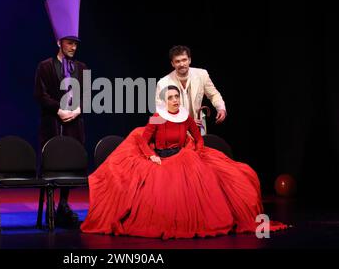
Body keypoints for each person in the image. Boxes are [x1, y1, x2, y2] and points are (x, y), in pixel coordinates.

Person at [80, 85, 286, 239]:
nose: (175, 100)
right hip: (161, 156)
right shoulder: (158, 117)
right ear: (164, 101)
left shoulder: (185, 116)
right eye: (170, 98)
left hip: (182, 155)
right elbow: (144, 140)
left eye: (177, 96)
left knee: (233, 174)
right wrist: (151, 155)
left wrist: (197, 151)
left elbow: (198, 138)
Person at [34, 0, 88, 227]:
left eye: (75, 43)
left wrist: (77, 110)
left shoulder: (82, 67)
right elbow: (40, 94)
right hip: (52, 123)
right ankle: (50, 205)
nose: (73, 47)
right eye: (69, 43)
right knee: (52, 163)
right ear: (59, 43)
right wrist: (59, 110)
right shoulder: (45, 66)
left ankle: (64, 204)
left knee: (71, 164)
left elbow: (87, 94)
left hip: (75, 124)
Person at [155, 45, 226, 134]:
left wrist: (221, 108)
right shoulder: (163, 83)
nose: (181, 64)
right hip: (176, 128)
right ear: (172, 64)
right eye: (177, 61)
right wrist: (185, 122)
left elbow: (213, 94)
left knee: (201, 147)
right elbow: (160, 112)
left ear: (189, 60)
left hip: (198, 125)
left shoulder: (202, 74)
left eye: (184, 60)